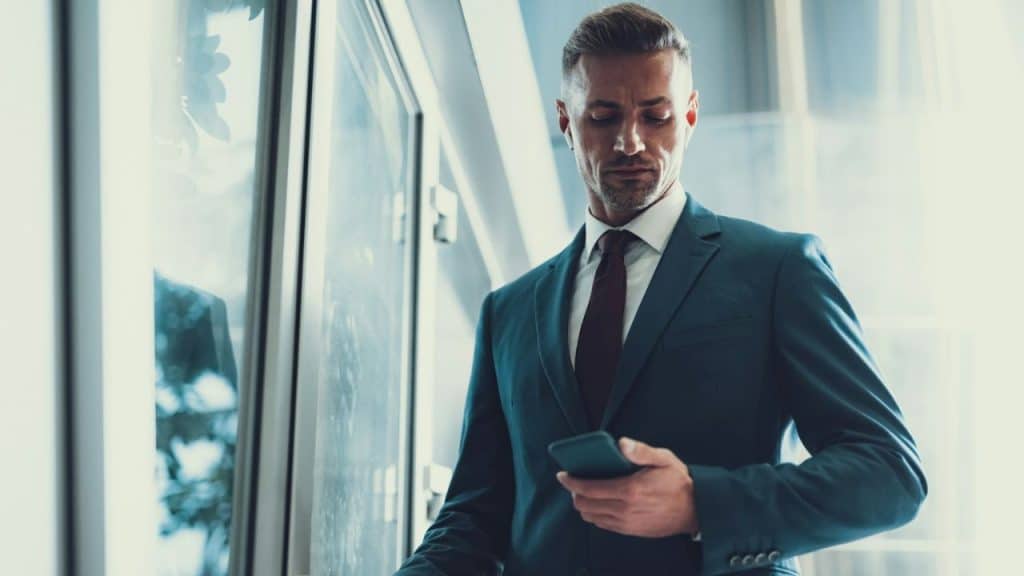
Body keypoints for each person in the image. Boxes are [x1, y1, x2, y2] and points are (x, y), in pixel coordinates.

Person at [396, 3, 926, 575]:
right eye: (603, 116)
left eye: (656, 116)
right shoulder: (510, 312)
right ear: (565, 121)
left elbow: (888, 474)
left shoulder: (777, 270)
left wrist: (700, 502)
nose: (630, 142)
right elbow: (473, 519)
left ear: (691, 115)